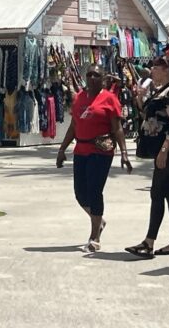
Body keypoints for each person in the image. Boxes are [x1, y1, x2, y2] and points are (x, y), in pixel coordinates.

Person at [56, 65, 133, 252]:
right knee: (80, 193)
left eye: (96, 75)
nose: (91, 78)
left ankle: (94, 237)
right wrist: (62, 149)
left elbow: (117, 128)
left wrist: (124, 153)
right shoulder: (79, 98)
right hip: (81, 150)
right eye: (89, 74)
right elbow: (74, 126)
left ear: (103, 78)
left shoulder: (109, 99)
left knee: (94, 191)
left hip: (100, 151)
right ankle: (98, 221)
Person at [125, 57, 169, 259]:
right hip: (162, 149)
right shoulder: (161, 91)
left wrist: (164, 150)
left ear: (166, 70)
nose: (152, 71)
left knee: (158, 193)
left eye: (156, 68)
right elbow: (150, 116)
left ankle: (149, 242)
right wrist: (140, 99)